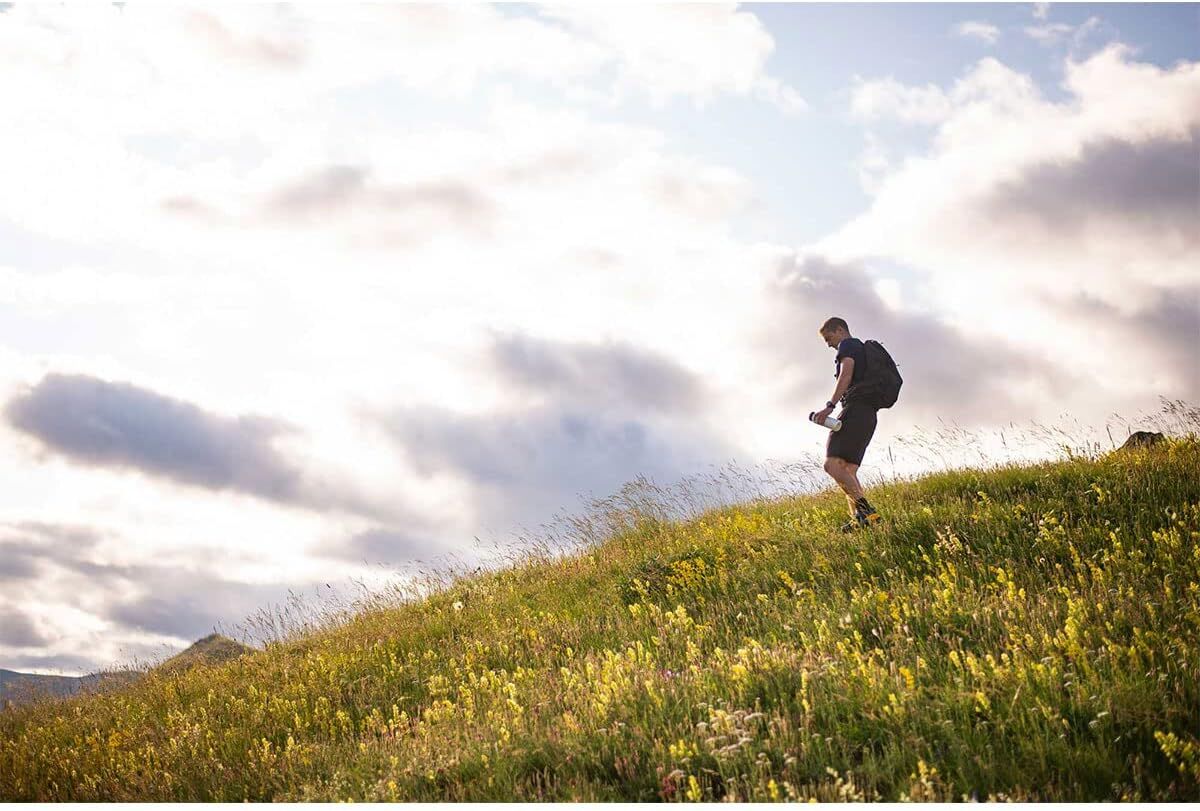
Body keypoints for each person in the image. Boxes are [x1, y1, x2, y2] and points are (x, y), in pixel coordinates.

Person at [811, 317, 882, 532]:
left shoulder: (848, 345)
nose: (830, 345)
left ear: (840, 330)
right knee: (848, 470)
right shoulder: (862, 349)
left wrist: (830, 406)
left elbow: (846, 373)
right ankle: (859, 521)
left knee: (831, 465)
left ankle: (867, 512)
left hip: (856, 410)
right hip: (869, 415)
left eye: (829, 338)